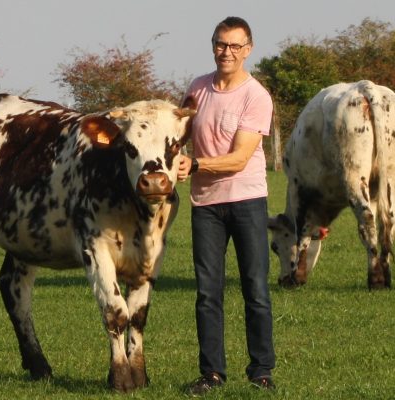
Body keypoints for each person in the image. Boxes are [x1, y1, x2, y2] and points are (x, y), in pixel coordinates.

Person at [177, 16, 276, 395]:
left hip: (247, 201)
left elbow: (238, 158)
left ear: (248, 49)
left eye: (235, 46)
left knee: (255, 289)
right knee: (207, 292)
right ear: (213, 45)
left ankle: (261, 370)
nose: (227, 52)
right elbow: (180, 130)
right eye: (221, 44)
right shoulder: (198, 88)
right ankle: (212, 373)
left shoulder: (256, 96)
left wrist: (197, 164)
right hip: (205, 205)